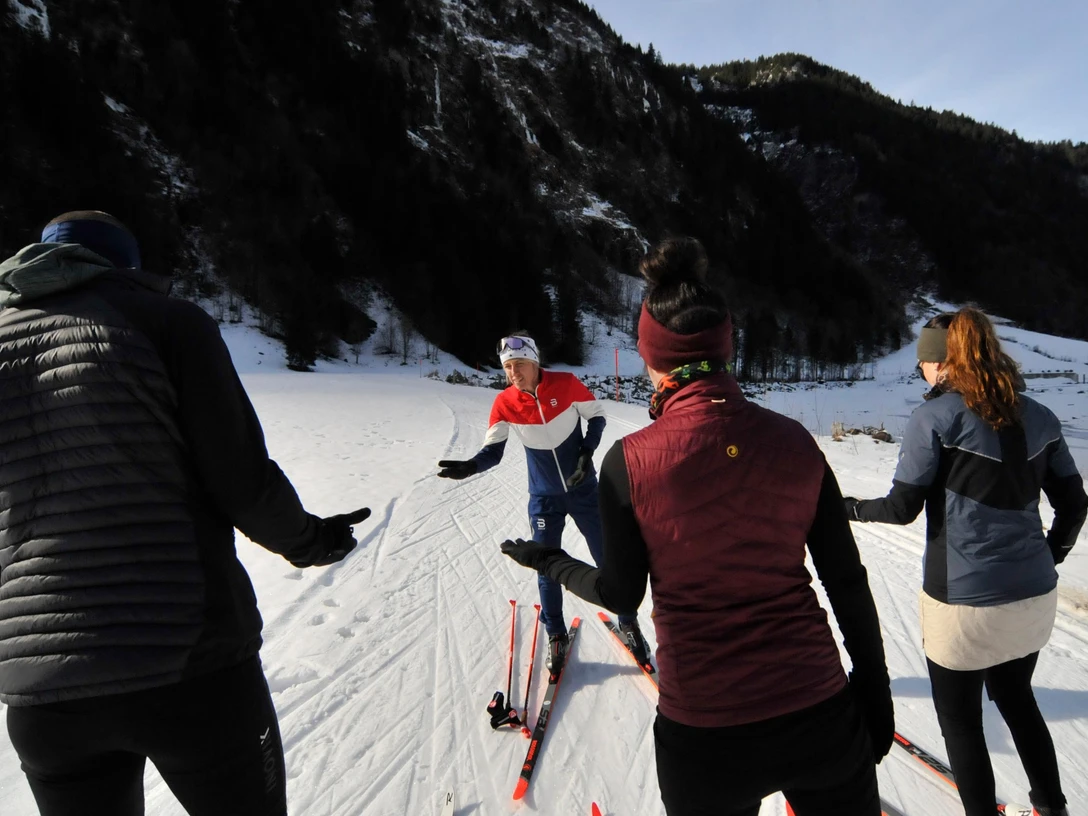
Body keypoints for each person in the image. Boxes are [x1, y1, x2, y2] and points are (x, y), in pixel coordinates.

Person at [501, 237, 892, 816]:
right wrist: (875, 695)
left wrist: (546, 559)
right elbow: (846, 581)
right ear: (725, 349)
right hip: (820, 715)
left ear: (652, 360)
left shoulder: (630, 462)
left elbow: (621, 593)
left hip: (707, 738)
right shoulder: (796, 442)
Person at [0, 211, 370, 816]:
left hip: (42, 693)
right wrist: (312, 541)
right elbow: (240, 479)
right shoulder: (165, 321)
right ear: (125, 265)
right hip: (188, 662)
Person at [843, 309, 1085, 816]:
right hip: (1034, 598)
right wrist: (1050, 556)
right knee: (1017, 700)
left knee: (961, 721)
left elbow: (902, 508)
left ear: (941, 362)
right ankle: (1052, 808)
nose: (921, 371)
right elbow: (1074, 504)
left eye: (923, 363)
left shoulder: (934, 417)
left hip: (962, 604)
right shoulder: (1040, 415)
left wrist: (849, 509)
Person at [437, 332, 646, 673]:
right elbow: (493, 451)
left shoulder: (566, 384)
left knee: (609, 558)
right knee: (546, 564)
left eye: (519, 364)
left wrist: (586, 452)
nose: (513, 373)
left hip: (584, 491)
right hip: (544, 499)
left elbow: (596, 416)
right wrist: (471, 466)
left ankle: (628, 621)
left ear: (535, 362)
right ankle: (555, 633)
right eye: (508, 367)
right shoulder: (504, 402)